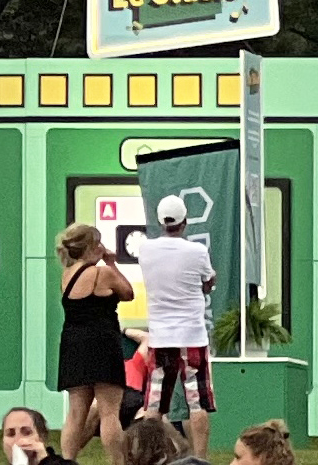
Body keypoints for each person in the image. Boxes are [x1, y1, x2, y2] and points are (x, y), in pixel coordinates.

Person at [137, 195, 215, 462]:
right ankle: (200, 460)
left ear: (161, 222)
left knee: (154, 405)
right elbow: (208, 281)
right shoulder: (197, 252)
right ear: (184, 222)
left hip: (160, 338)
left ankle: (150, 458)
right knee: (197, 403)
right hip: (192, 336)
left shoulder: (145, 250)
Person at [57, 224, 134, 462]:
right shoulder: (102, 274)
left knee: (76, 413)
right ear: (92, 247)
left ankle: (67, 460)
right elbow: (128, 293)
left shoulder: (67, 275)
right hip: (102, 343)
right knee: (109, 411)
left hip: (72, 343)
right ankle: (117, 462)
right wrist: (111, 262)